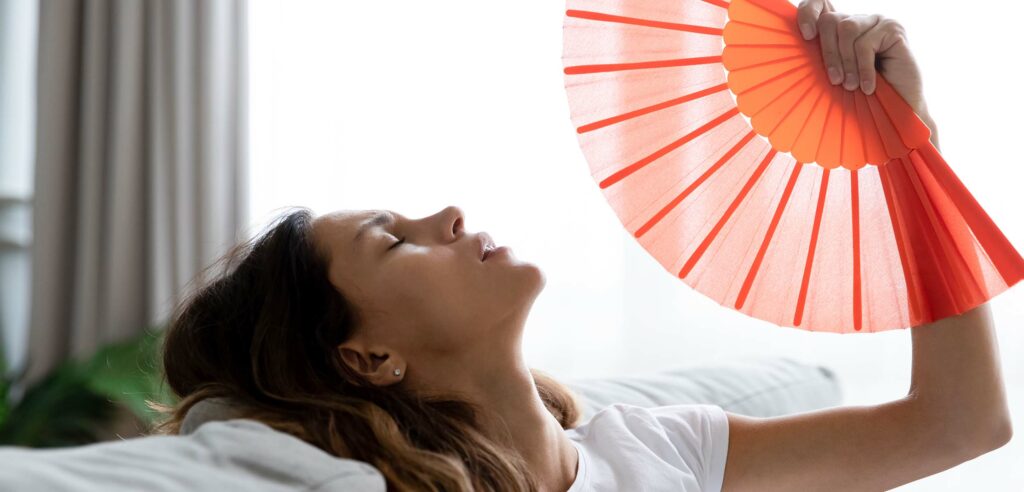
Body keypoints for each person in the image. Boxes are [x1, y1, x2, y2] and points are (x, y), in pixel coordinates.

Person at [151, 1, 1013, 490]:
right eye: (394, 241)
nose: (447, 213)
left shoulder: (657, 448)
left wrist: (909, 151)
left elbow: (961, 424)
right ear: (369, 357)